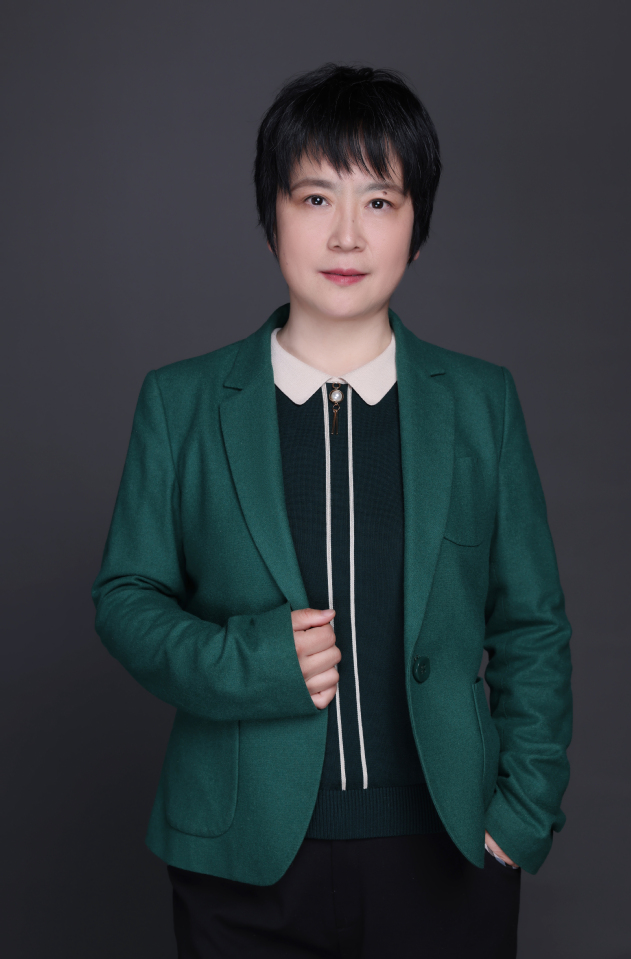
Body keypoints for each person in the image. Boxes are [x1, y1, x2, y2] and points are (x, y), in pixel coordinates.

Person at [92, 63, 572, 958]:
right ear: (270, 214)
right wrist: (248, 661)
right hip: (239, 865)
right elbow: (125, 597)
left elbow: (532, 624)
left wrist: (522, 812)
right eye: (315, 197)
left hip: (447, 855)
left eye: (379, 201)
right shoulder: (182, 402)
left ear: (416, 228)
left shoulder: (481, 404)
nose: (346, 233)